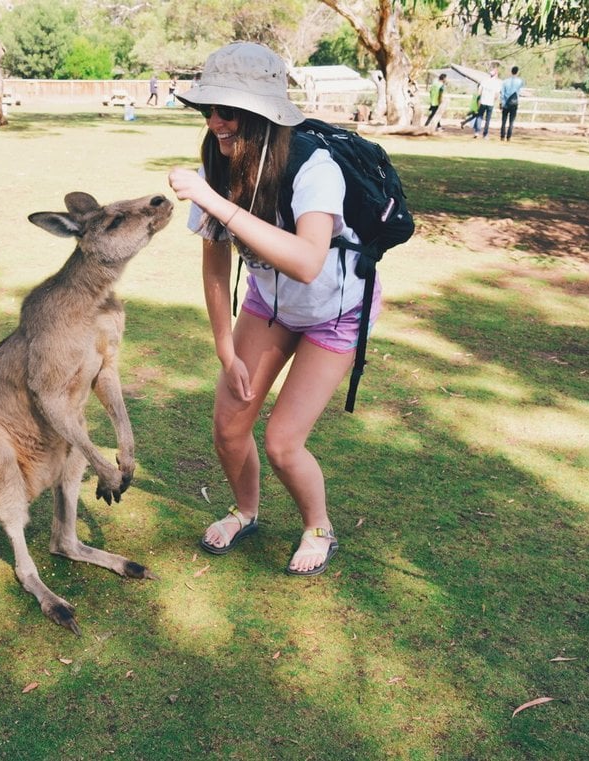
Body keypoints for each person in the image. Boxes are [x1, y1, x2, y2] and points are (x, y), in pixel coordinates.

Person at [168, 42, 377, 576]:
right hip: (269, 302)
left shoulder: (314, 167)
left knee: (284, 442)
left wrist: (214, 200)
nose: (215, 122)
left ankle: (319, 527)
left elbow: (308, 261)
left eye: (227, 111)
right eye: (207, 110)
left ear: (261, 113)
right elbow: (215, 261)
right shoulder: (216, 162)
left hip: (335, 309)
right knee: (228, 425)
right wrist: (223, 347)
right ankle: (246, 511)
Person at [473, 65, 501, 139]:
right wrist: (494, 100)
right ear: (496, 74)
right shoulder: (497, 83)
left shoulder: (484, 81)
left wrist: (479, 99)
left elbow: (479, 91)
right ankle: (485, 134)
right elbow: (497, 94)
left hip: (483, 101)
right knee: (488, 119)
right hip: (490, 103)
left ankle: (477, 131)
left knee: (480, 117)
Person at [499, 66, 525, 141]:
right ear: (517, 72)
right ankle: (509, 137)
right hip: (514, 103)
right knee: (511, 121)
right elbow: (522, 85)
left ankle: (502, 136)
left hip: (505, 103)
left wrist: (501, 102)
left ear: (511, 71)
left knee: (503, 121)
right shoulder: (519, 81)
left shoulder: (505, 81)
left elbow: (502, 93)